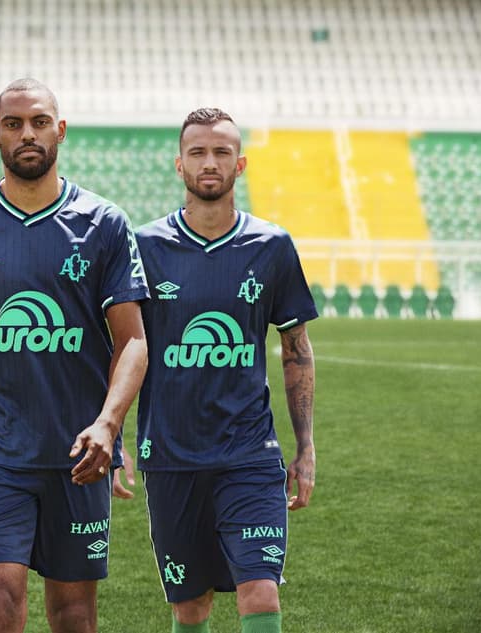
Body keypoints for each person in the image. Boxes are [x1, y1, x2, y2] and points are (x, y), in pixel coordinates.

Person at [0, 78, 149, 633]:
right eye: (13, 124)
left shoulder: (104, 223)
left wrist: (110, 425)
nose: (28, 134)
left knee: (73, 615)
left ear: (60, 130)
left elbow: (133, 341)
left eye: (39, 122)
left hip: (77, 456)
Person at [135, 108, 317, 633]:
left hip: (249, 455)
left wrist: (305, 448)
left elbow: (297, 350)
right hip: (170, 456)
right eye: (198, 152)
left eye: (221, 152)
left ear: (241, 164)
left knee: (259, 592)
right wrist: (112, 432)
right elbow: (122, 348)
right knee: (190, 608)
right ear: (179, 164)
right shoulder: (144, 248)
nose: (209, 162)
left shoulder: (273, 246)